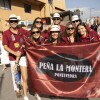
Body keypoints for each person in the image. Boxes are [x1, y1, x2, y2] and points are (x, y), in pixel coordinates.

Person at [3, 14, 30, 100]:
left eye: (15, 21)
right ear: (9, 23)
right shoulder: (6, 33)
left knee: (23, 73)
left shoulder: (22, 30)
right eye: (12, 21)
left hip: (22, 56)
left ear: (18, 22)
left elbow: (31, 33)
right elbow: (5, 46)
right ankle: (17, 89)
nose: (14, 23)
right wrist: (14, 53)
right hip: (12, 57)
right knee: (14, 74)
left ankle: (23, 85)